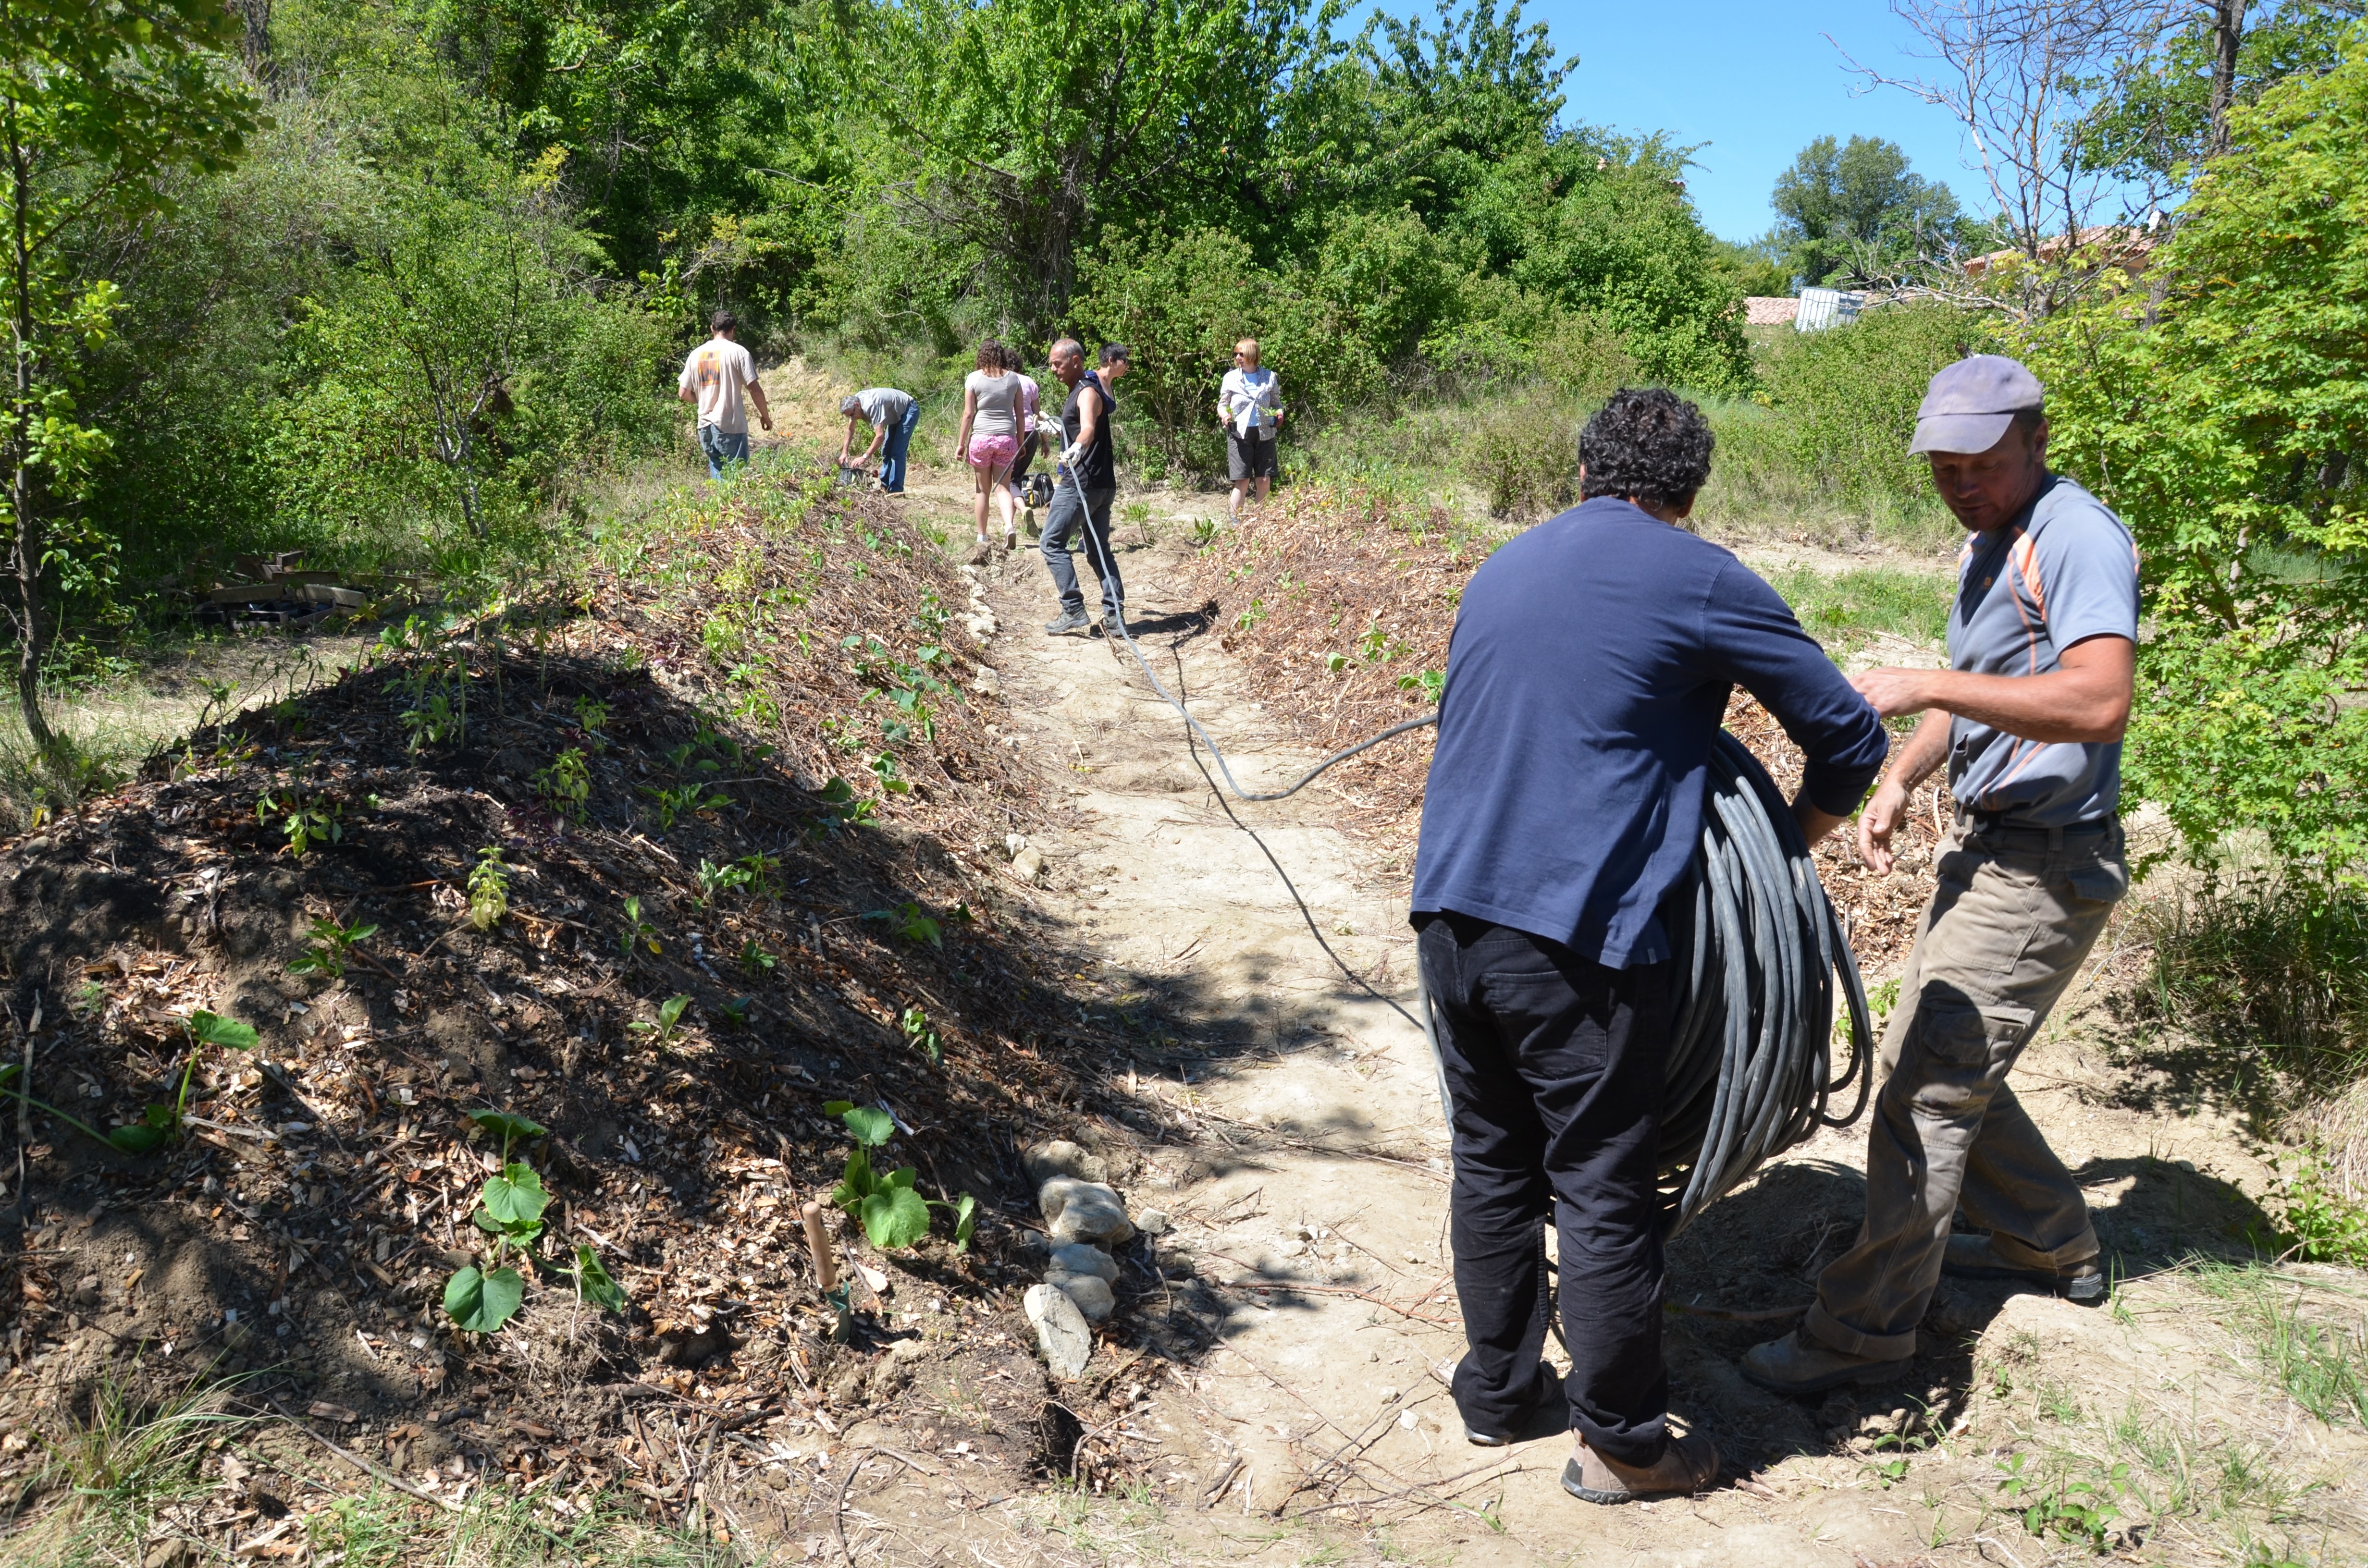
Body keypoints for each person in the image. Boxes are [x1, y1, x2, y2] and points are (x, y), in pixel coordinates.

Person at [1412, 387, 1887, 1505]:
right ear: (1688, 492)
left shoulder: (1504, 566)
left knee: (1492, 1158)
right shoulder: (1704, 575)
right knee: (1603, 1183)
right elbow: (1852, 735)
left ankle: (1495, 1391)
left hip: (1450, 916)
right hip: (1580, 941)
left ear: (1584, 471)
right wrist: (1790, 839)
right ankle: (1624, 1442)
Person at [1743, 355, 2138, 1397]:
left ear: (2036, 441)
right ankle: (2056, 1249)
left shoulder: (2075, 536)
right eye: (1944, 466)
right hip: (1991, 848)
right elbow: (1990, 690)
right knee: (1940, 1060)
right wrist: (1904, 775)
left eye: (1984, 462)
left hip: (2047, 863)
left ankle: (1862, 1337)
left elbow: (2098, 701)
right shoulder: (1994, 542)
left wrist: (1920, 680)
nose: (1962, 481)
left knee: (1925, 1095)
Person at [1040, 341, 1131, 637]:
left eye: (1058, 364)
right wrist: (1059, 430)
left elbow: (1089, 428)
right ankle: (1115, 618)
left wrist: (1077, 447)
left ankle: (1073, 609)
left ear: (1076, 361)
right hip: (1103, 484)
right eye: (1052, 364)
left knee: (1051, 543)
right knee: (1097, 550)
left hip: (1082, 484)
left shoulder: (1087, 392)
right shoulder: (1086, 389)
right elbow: (1081, 426)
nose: (1053, 370)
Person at [677, 311, 772, 481]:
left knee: (719, 485)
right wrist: (765, 417)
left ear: (712, 329)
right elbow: (755, 390)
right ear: (733, 330)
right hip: (730, 425)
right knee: (738, 482)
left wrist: (704, 401)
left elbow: (683, 393)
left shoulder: (695, 355)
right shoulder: (739, 352)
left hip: (705, 427)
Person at [954, 341, 1024, 564]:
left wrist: (961, 443)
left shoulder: (973, 379)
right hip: (1006, 438)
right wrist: (1020, 443)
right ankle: (1009, 526)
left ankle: (982, 535)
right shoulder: (1013, 379)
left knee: (982, 491)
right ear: (1002, 356)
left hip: (981, 438)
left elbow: (968, 414)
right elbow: (1021, 415)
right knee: (1003, 488)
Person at [1217, 338, 1281, 521]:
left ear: (1253, 355)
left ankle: (1258, 523)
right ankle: (1236, 523)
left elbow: (1277, 404)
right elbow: (1222, 405)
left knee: (1263, 480)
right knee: (1242, 481)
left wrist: (1279, 415)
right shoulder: (1230, 378)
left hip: (1265, 434)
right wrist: (1225, 416)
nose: (1238, 358)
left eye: (1241, 354)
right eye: (1236, 354)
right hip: (1239, 435)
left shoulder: (1270, 377)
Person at [839, 385, 920, 493]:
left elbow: (880, 436)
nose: (853, 418)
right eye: (850, 417)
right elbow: (850, 429)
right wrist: (844, 452)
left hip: (908, 410)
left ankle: (896, 491)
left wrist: (864, 457)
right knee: (886, 451)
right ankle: (885, 486)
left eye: (853, 415)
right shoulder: (855, 406)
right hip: (895, 413)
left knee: (897, 452)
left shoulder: (871, 406)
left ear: (857, 405)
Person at [1002, 343, 1043, 546]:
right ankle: (1009, 524)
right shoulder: (1030, 382)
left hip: (1014, 433)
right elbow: (1038, 414)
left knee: (1009, 481)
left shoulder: (1004, 381)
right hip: (1032, 433)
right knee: (1016, 478)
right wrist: (1045, 441)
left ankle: (1023, 508)